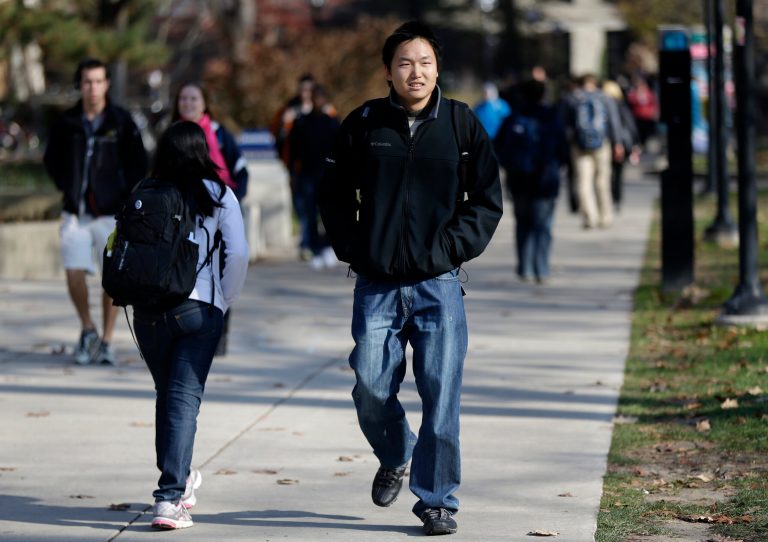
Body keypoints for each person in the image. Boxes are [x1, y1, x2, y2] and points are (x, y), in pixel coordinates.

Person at [318, 21, 502, 536]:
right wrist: (355, 247)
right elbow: (331, 193)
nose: (415, 71)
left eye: (424, 62)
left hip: (438, 285)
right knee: (370, 386)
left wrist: (447, 249)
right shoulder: (364, 124)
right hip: (376, 283)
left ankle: (437, 499)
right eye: (404, 63)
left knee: (442, 393)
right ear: (388, 71)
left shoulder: (461, 124)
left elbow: (486, 201)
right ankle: (396, 451)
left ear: (437, 68)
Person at [132, 121, 248, 530]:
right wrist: (224, 299)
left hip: (147, 313)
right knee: (182, 401)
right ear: (203, 152)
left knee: (170, 397)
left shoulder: (144, 192)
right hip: (198, 310)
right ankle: (169, 498)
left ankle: (180, 482)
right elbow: (237, 255)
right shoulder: (218, 194)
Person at [43, 58, 148, 366]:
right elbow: (52, 159)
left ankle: (106, 340)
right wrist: (67, 184)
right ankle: (88, 328)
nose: (93, 87)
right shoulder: (67, 122)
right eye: (88, 81)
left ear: (107, 84)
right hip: (75, 211)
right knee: (74, 271)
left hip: (110, 212)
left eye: (99, 81)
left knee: (111, 279)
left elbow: (138, 162)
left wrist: (124, 194)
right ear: (81, 84)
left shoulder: (120, 121)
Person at [172, 82, 249, 356]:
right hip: (179, 216)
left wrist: (228, 203)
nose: (188, 103)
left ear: (205, 103)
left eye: (194, 98)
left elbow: (241, 171)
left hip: (216, 214)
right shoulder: (171, 134)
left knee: (219, 272)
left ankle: (218, 331)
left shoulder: (219, 134)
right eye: (183, 98)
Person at [495, 79, 567, 284]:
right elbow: (562, 148)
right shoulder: (552, 117)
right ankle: (541, 269)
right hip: (546, 181)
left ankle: (525, 268)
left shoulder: (513, 118)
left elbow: (499, 147)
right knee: (543, 226)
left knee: (523, 223)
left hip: (519, 180)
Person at [288, 85, 340, 269]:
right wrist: (293, 175)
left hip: (327, 175)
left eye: (320, 98)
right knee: (309, 214)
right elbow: (293, 152)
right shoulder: (301, 122)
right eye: (314, 98)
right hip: (307, 175)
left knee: (328, 213)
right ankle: (314, 248)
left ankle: (327, 246)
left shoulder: (332, 122)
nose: (317, 101)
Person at [565, 73, 623, 229]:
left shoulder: (573, 99)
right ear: (595, 82)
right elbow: (613, 121)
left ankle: (589, 217)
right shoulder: (605, 98)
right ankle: (605, 216)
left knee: (584, 182)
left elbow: (566, 125)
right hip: (602, 144)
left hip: (579, 145)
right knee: (602, 181)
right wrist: (617, 143)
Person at [602, 80, 640, 212]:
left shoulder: (601, 105)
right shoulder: (621, 105)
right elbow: (630, 125)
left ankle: (608, 199)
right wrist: (635, 143)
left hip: (605, 144)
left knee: (605, 175)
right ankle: (617, 199)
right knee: (618, 174)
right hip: (620, 144)